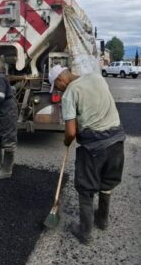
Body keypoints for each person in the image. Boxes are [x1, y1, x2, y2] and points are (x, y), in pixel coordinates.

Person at [48, 65, 126, 245]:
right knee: (107, 184)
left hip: (94, 148)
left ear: (61, 80)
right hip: (117, 140)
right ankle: (102, 220)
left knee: (86, 188)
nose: (58, 91)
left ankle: (85, 232)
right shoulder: (96, 77)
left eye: (56, 87)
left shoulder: (70, 93)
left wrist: (67, 142)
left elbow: (70, 132)